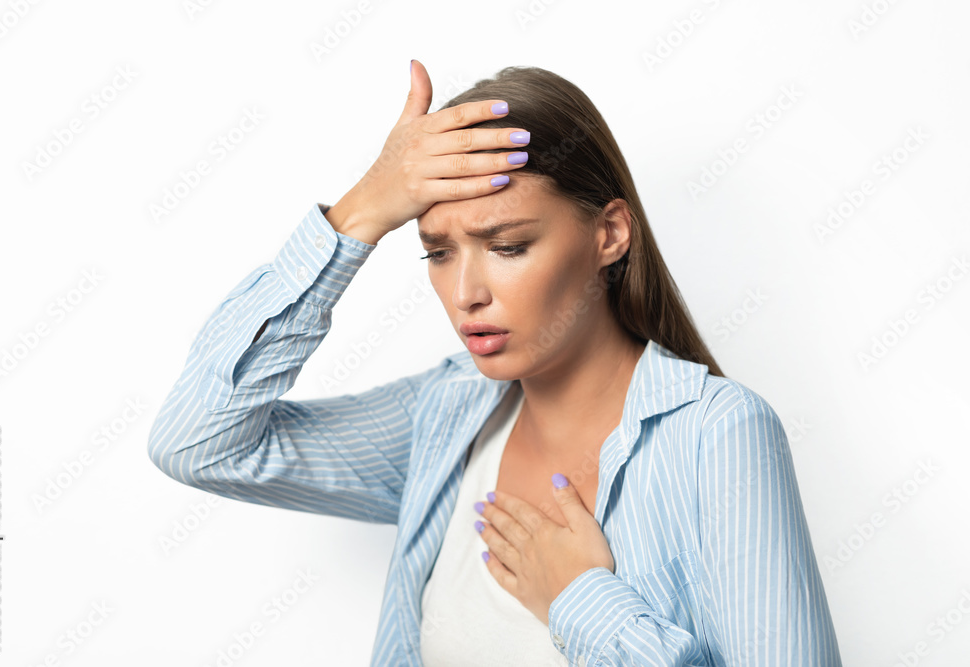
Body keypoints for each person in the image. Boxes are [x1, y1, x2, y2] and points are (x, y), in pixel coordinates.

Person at [148, 60, 842, 666]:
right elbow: (198, 441)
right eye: (438, 252)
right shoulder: (445, 414)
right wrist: (359, 214)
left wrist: (582, 600)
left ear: (609, 234)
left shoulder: (717, 436)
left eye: (507, 245)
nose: (464, 293)